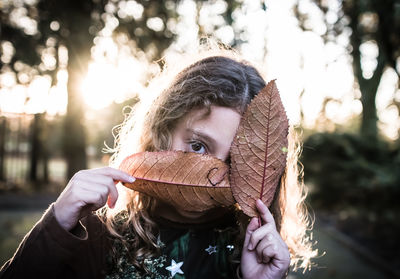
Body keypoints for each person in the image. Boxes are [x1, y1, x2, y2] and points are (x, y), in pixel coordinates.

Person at [0, 48, 316, 279]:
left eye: (236, 160)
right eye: (198, 146)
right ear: (161, 132)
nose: (212, 176)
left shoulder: (249, 250)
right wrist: (57, 225)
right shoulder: (98, 234)